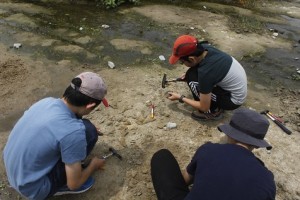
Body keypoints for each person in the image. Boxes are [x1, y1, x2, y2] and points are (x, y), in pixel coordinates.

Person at [3, 72, 109, 199]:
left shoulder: (46, 102)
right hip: (34, 189)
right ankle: (59, 187)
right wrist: (93, 165)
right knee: (90, 132)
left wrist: (78, 130)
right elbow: (74, 184)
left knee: (86, 128)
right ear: (90, 105)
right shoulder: (73, 132)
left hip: (14, 171)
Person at [151, 108, 276, 200]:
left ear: (229, 133)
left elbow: (184, 181)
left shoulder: (208, 150)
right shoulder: (267, 180)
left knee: (161, 156)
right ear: (257, 144)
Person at [167, 34, 247, 120]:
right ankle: (214, 101)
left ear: (191, 59)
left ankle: (212, 112)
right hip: (235, 89)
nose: (182, 63)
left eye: (182, 62)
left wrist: (180, 97)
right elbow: (204, 69)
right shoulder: (206, 48)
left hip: (232, 101)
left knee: (192, 80)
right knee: (191, 74)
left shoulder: (205, 73)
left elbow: (203, 106)